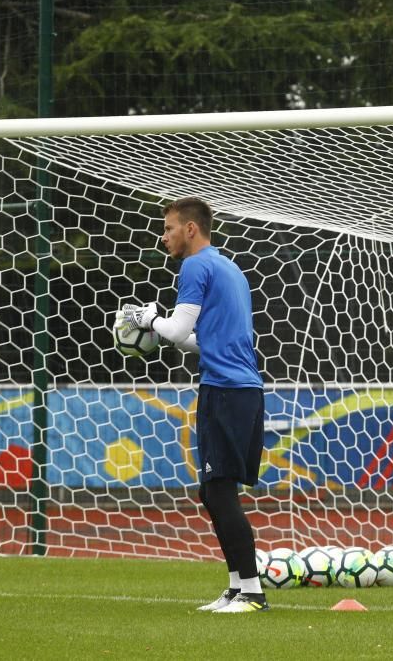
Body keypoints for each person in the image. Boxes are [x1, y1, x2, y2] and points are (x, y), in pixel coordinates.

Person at [120, 196, 269, 613]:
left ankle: (253, 593)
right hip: (241, 390)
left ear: (190, 229)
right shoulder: (229, 269)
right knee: (212, 490)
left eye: (168, 228)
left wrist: (148, 320)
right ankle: (238, 587)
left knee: (219, 491)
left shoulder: (195, 265)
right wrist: (160, 329)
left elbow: (177, 327)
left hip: (224, 390)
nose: (163, 235)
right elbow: (200, 340)